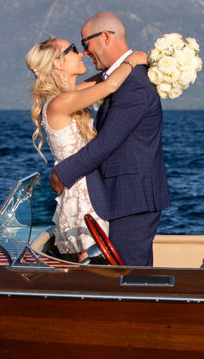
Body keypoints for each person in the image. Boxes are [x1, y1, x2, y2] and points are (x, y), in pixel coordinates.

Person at [50, 12, 170, 266]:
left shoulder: (134, 83)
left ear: (104, 37)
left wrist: (63, 173)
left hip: (132, 196)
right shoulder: (125, 76)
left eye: (85, 44)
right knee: (121, 275)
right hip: (119, 195)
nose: (84, 52)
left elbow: (108, 141)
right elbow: (105, 83)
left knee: (130, 275)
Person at [27, 37, 146, 261]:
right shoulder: (59, 103)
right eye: (72, 49)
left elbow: (105, 77)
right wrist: (133, 61)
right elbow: (110, 85)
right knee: (91, 262)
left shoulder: (70, 96)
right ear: (57, 63)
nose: (81, 53)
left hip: (92, 189)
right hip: (82, 194)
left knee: (97, 260)